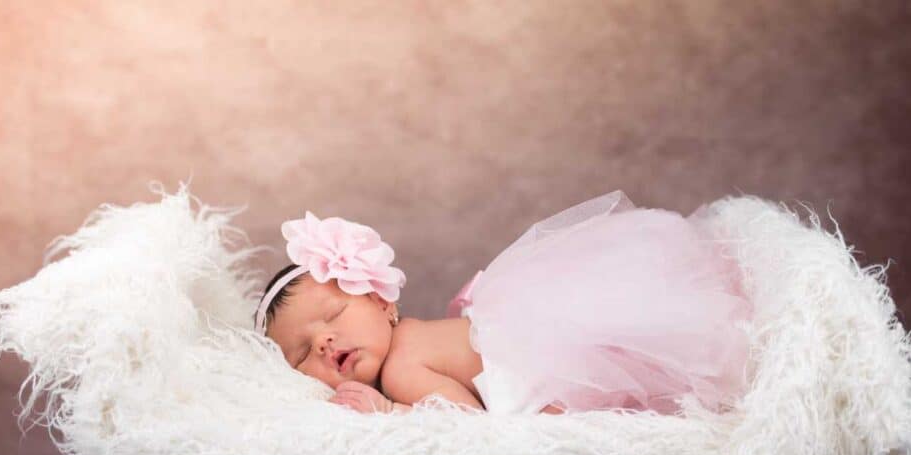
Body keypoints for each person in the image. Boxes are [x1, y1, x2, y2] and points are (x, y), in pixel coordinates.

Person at [255, 190, 753, 416]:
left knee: (619, 391)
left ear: (382, 301)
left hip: (548, 375)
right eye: (301, 354)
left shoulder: (403, 368)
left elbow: (466, 426)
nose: (322, 341)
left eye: (335, 315)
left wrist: (389, 412)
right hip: (548, 345)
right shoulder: (415, 340)